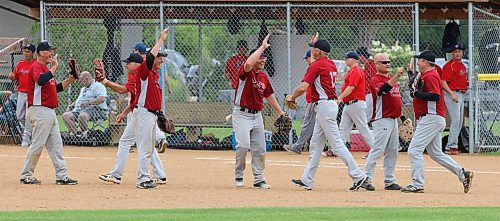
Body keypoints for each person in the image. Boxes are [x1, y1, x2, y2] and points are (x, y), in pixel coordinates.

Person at [286, 39, 369, 191]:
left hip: (324, 106)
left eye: (314, 50)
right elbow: (317, 63)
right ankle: (307, 179)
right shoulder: (329, 63)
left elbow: (304, 86)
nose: (313, 52)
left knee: (336, 145)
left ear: (318, 51)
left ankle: (359, 176)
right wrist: (312, 47)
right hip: (327, 106)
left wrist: (292, 97)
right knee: (316, 145)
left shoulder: (317, 65)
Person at [401, 50, 473, 193]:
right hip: (431, 118)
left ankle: (417, 184)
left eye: (420, 60)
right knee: (435, 153)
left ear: (426, 62)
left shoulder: (431, 75)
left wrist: (416, 94)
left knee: (414, 150)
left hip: (431, 118)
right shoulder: (426, 75)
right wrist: (411, 77)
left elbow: (435, 96)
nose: (418, 62)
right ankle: (462, 173)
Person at [97, 53, 167, 185]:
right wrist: (124, 113)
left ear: (136, 65)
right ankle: (158, 173)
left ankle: (130, 176)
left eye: (128, 63)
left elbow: (122, 90)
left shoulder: (141, 75)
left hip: (141, 115)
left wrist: (105, 82)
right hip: (140, 112)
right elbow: (136, 99)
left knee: (142, 145)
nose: (126, 65)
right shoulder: (146, 75)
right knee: (134, 143)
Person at [232, 34, 287, 189]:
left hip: (257, 116)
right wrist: (261, 47)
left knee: (260, 148)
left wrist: (280, 112)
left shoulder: (263, 76)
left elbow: (269, 95)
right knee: (243, 145)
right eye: (260, 58)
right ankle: (239, 175)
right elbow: (249, 63)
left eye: (264, 58)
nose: (263, 60)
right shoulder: (245, 73)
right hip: (241, 114)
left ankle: (259, 178)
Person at [20, 41, 78, 185]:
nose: (52, 54)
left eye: (52, 51)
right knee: (37, 144)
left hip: (49, 112)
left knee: (56, 146)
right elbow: (40, 81)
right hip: (39, 110)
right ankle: (26, 175)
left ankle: (61, 176)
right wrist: (53, 67)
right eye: (49, 51)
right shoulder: (36, 66)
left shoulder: (45, 69)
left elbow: (55, 88)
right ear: (41, 53)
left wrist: (70, 79)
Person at [133, 28, 169, 189]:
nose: (161, 61)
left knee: (149, 146)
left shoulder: (154, 74)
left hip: (151, 114)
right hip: (144, 113)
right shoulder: (144, 71)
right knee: (145, 147)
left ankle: (147, 176)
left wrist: (160, 113)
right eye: (159, 58)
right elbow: (150, 58)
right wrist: (160, 40)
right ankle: (142, 179)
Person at [362, 53, 404, 191]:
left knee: (392, 151)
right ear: (376, 64)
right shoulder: (375, 79)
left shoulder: (390, 79)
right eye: (384, 62)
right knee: (377, 149)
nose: (387, 64)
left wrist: (402, 118)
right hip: (382, 119)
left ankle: (389, 180)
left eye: (388, 62)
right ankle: (365, 178)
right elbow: (383, 91)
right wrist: (396, 76)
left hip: (393, 120)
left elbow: (396, 100)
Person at [336, 51, 374, 154]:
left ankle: (376, 150)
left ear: (352, 59)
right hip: (349, 105)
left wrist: (340, 97)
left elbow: (351, 87)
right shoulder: (352, 71)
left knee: (363, 128)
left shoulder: (356, 70)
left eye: (346, 59)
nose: (345, 61)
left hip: (356, 104)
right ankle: (337, 150)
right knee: (343, 128)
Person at [282, 50, 314, 154]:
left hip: (315, 102)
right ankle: (305, 147)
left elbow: (302, 87)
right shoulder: (322, 66)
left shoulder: (313, 68)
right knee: (316, 128)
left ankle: (298, 146)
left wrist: (293, 97)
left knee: (307, 125)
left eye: (307, 58)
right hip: (315, 102)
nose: (306, 61)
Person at [62, 71, 108, 136]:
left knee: (82, 116)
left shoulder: (98, 86)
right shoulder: (83, 89)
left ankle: (85, 135)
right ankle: (77, 135)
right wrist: (72, 105)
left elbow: (102, 99)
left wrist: (88, 103)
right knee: (66, 115)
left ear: (87, 78)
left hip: (96, 110)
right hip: (80, 110)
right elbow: (80, 100)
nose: (82, 83)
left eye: (82, 81)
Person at [8, 44, 36, 147]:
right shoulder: (20, 64)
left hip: (31, 93)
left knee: (28, 115)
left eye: (28, 51)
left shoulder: (36, 64)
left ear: (33, 53)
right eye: (25, 51)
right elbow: (15, 76)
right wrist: (12, 76)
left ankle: (26, 138)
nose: (26, 53)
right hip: (21, 92)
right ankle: (33, 131)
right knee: (19, 115)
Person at [442, 44, 468, 155]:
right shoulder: (450, 65)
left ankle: (453, 144)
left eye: (459, 51)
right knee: (456, 120)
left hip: (461, 94)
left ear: (462, 53)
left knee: (459, 121)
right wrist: (452, 94)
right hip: (453, 94)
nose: (457, 53)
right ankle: (451, 145)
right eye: (455, 51)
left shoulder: (462, 65)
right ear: (452, 53)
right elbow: (443, 82)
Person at [356, 47, 377, 124]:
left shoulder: (371, 65)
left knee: (366, 115)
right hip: (366, 93)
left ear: (361, 56)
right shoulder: (366, 65)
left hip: (371, 93)